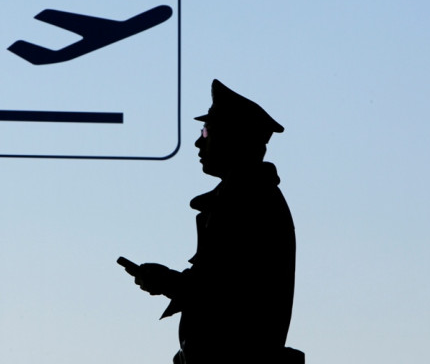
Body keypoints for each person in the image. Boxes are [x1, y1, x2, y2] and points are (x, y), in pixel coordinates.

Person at [123, 79, 301, 364]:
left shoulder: (247, 200)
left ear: (233, 138)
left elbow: (224, 291)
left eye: (206, 131)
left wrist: (165, 280)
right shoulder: (245, 197)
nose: (197, 141)